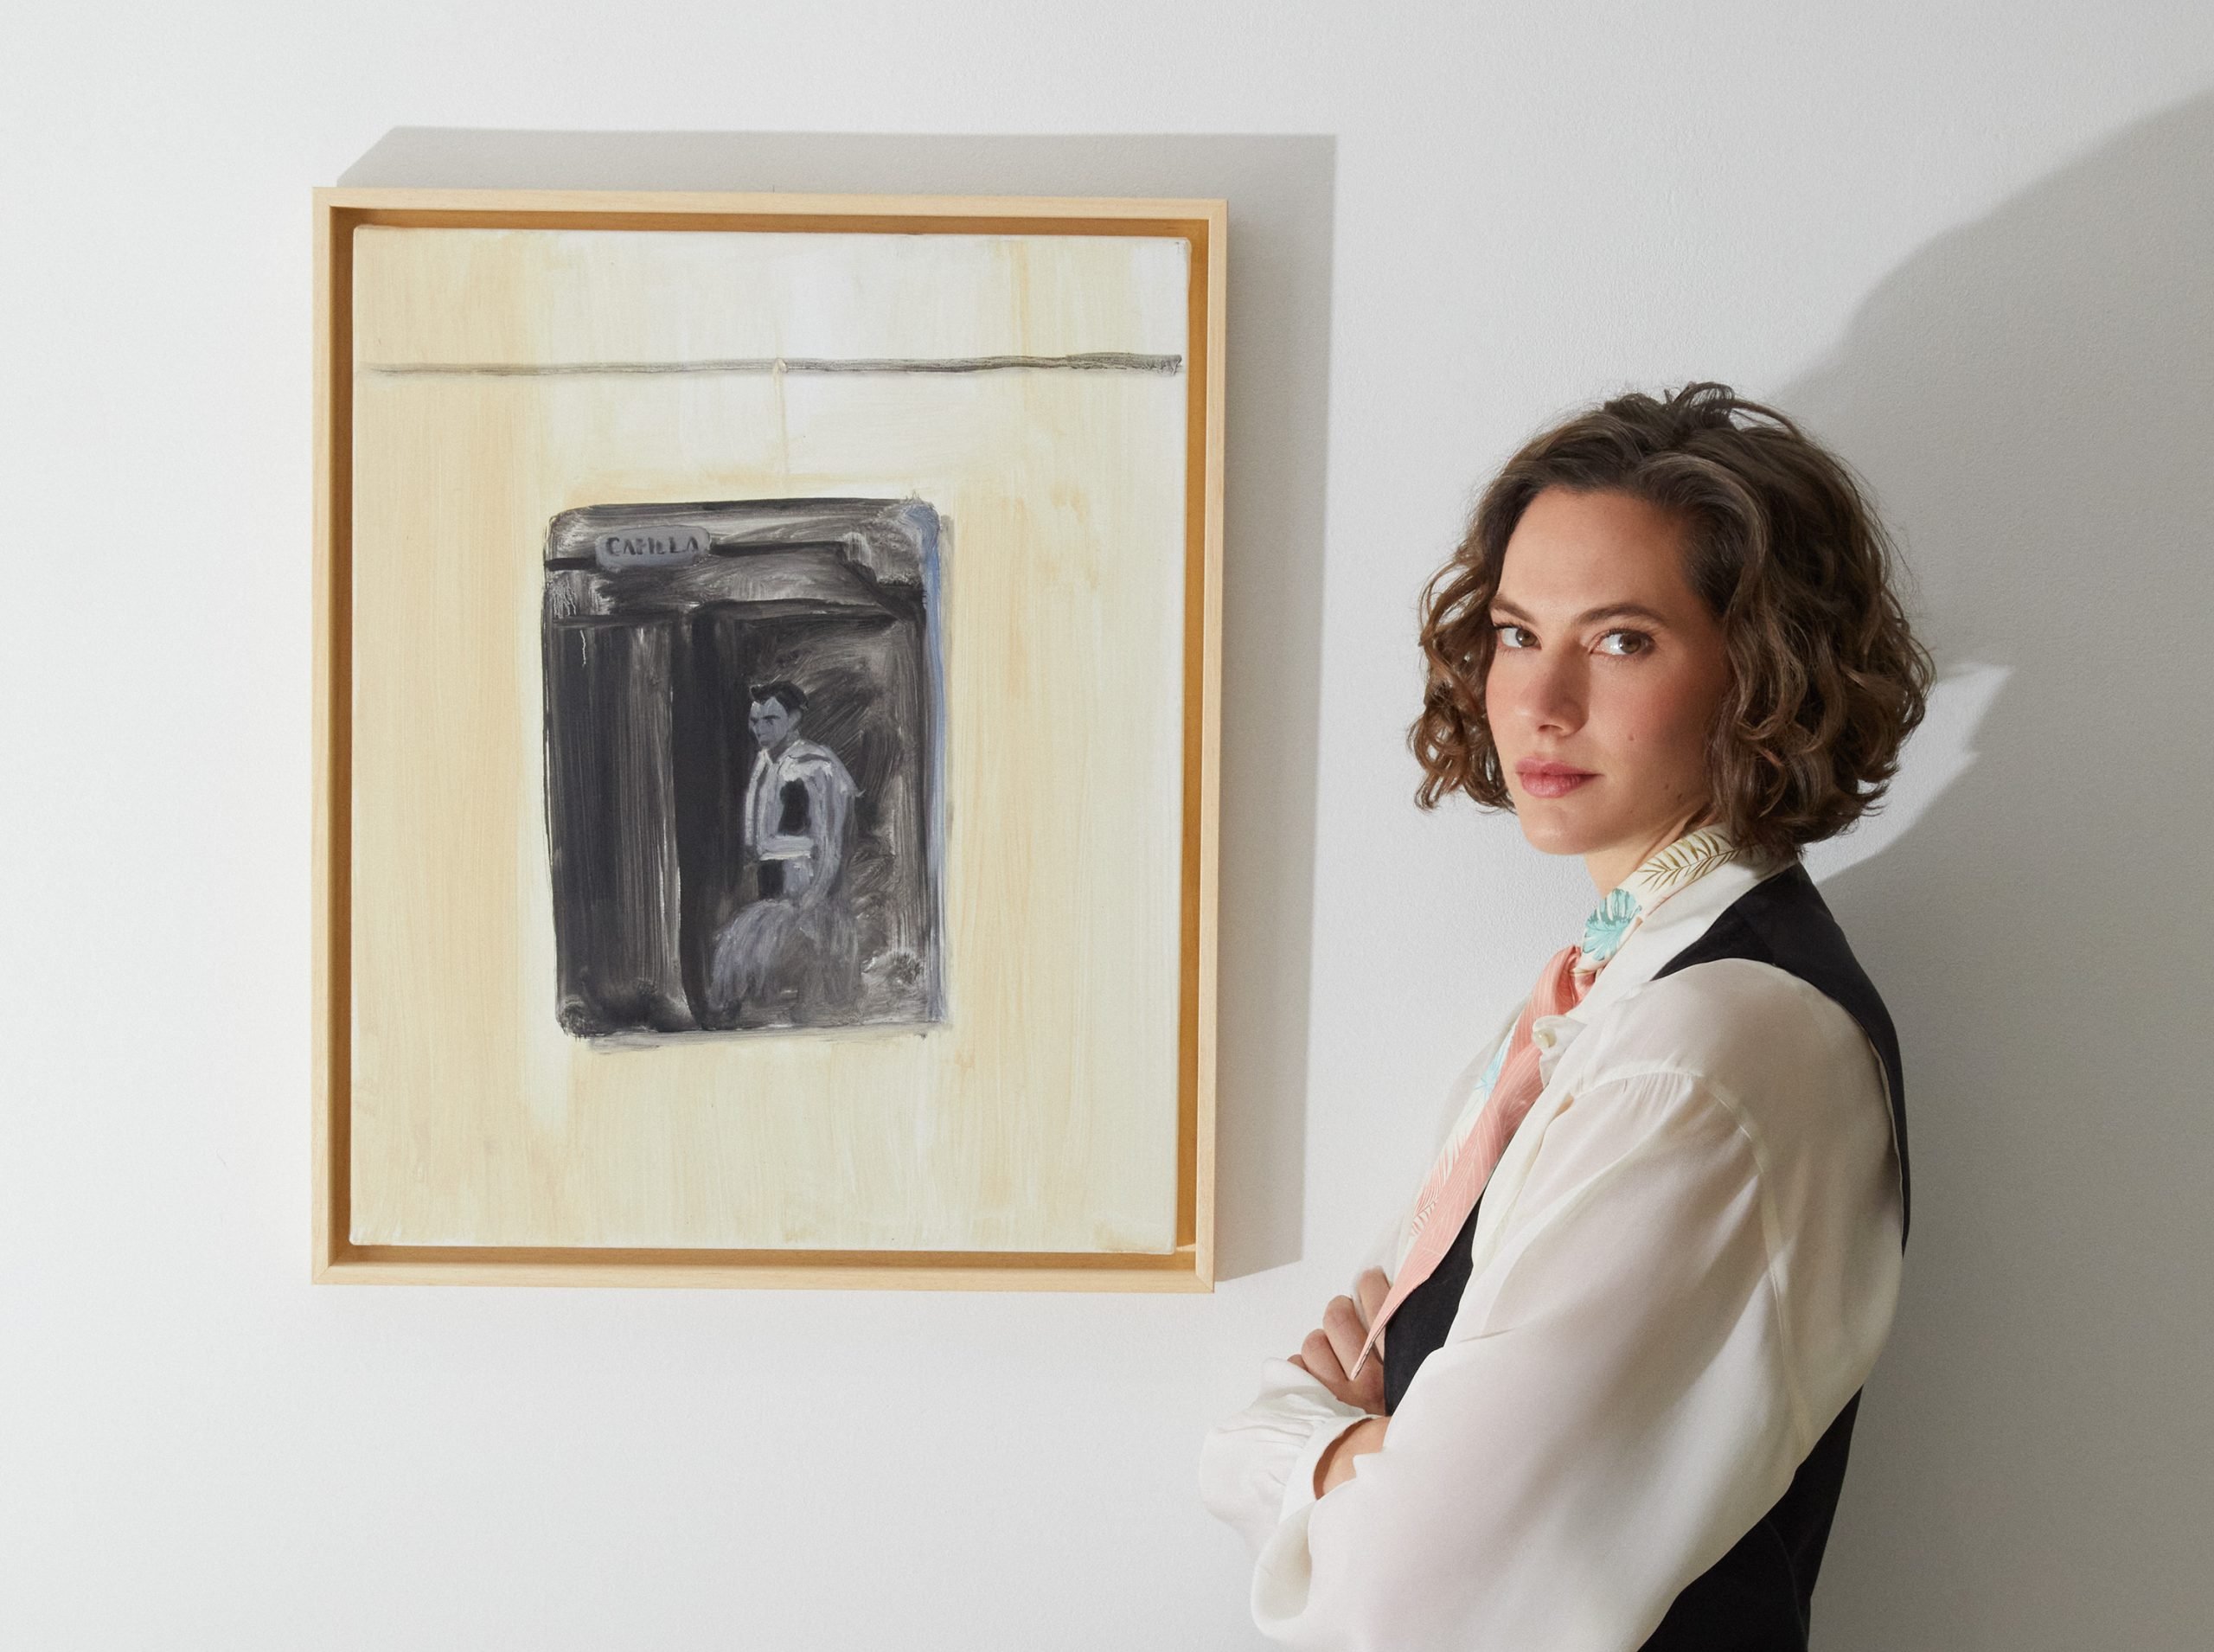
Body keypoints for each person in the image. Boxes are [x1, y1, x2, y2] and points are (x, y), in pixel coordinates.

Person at [1198, 383, 1933, 1649]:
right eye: (1517, 631)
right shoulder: (1607, 993)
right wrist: (1352, 1447)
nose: (1541, 700)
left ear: (1758, 671)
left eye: (1623, 639)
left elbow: (1417, 1593)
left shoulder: (1713, 1050)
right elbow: (1379, 1358)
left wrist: (1292, 1457)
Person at [709, 679, 861, 1020]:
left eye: (770, 721)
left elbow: (831, 845)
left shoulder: (817, 766)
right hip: (771, 895)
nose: (759, 730)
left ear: (793, 719)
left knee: (804, 992)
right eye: (754, 722)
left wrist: (809, 902)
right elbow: (757, 839)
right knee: (735, 964)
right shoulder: (764, 762)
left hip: (808, 897)